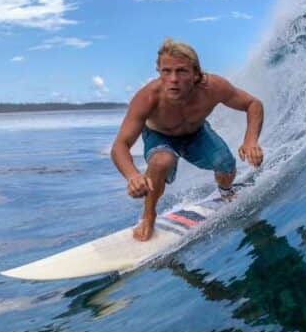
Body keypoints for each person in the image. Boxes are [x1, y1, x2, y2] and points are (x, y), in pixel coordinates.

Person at [110, 37, 264, 241]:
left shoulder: (213, 87)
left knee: (225, 165)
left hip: (196, 133)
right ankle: (149, 215)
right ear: (159, 72)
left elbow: (253, 104)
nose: (173, 79)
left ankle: (225, 191)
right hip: (159, 137)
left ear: (196, 74)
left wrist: (250, 141)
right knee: (161, 160)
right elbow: (120, 145)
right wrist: (133, 176)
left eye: (181, 71)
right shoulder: (148, 98)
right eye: (166, 71)